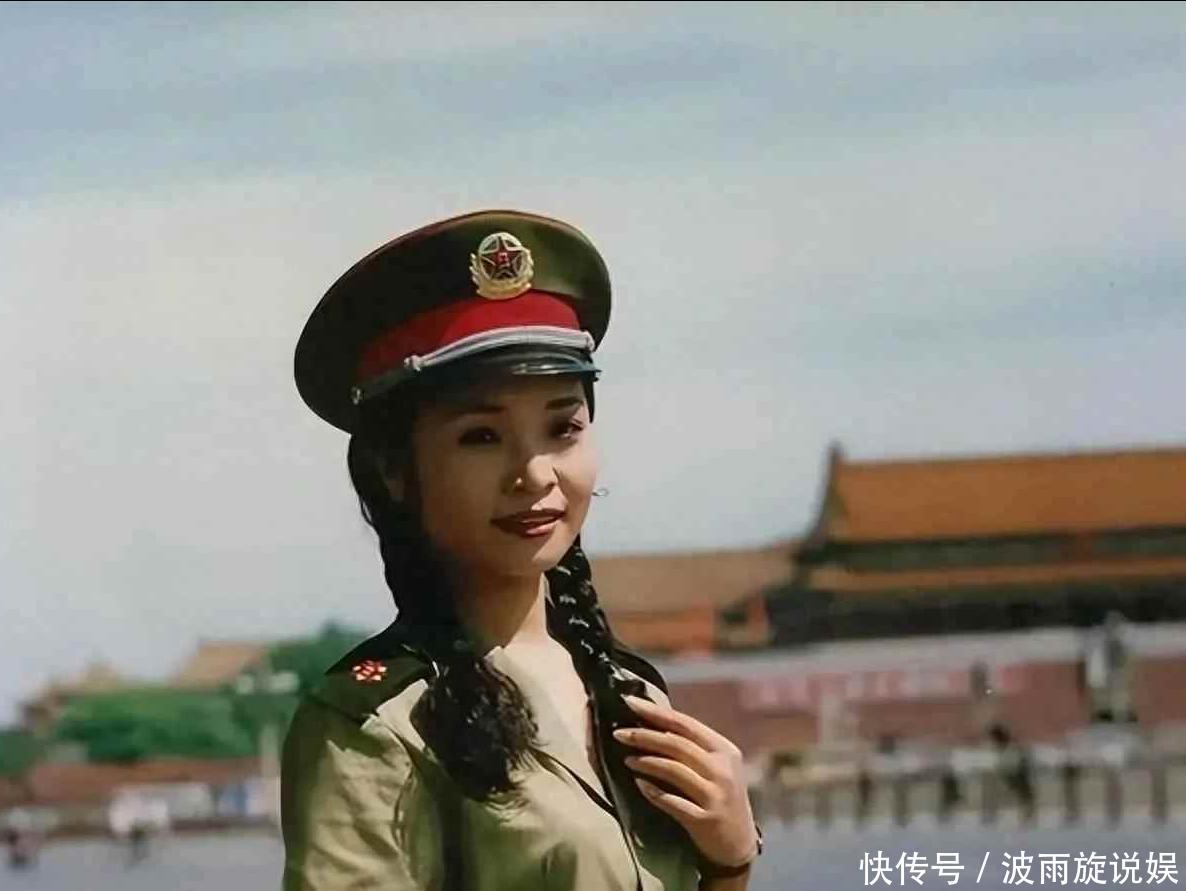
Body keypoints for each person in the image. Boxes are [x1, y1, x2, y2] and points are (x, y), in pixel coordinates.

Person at [282, 210, 763, 890]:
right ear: (395, 470)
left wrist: (729, 861)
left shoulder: (629, 692)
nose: (535, 473)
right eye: (481, 436)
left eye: (563, 428)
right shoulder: (373, 725)